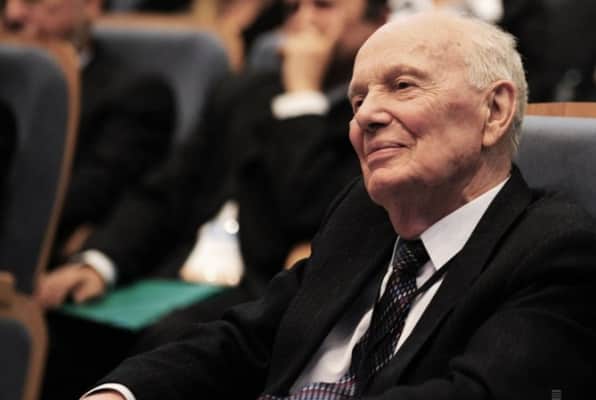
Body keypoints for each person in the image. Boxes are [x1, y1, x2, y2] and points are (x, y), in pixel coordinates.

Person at [84, 11, 596, 400]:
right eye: (357, 100)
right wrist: (123, 392)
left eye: (402, 86)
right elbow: (249, 339)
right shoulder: (362, 215)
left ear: (495, 110)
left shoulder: (555, 252)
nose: (367, 116)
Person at [35, 0, 388, 398]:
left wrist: (302, 97)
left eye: (323, 6)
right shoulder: (242, 91)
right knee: (60, 323)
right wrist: (100, 262)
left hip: (261, 290)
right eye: (293, 7)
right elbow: (166, 192)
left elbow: (312, 211)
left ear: (378, 23)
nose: (303, 19)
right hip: (175, 277)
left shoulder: (374, 122)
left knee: (172, 340)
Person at [1, 0, 175, 259]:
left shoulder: (135, 92)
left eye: (32, 0)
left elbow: (87, 196)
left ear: (91, 5)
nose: (13, 13)